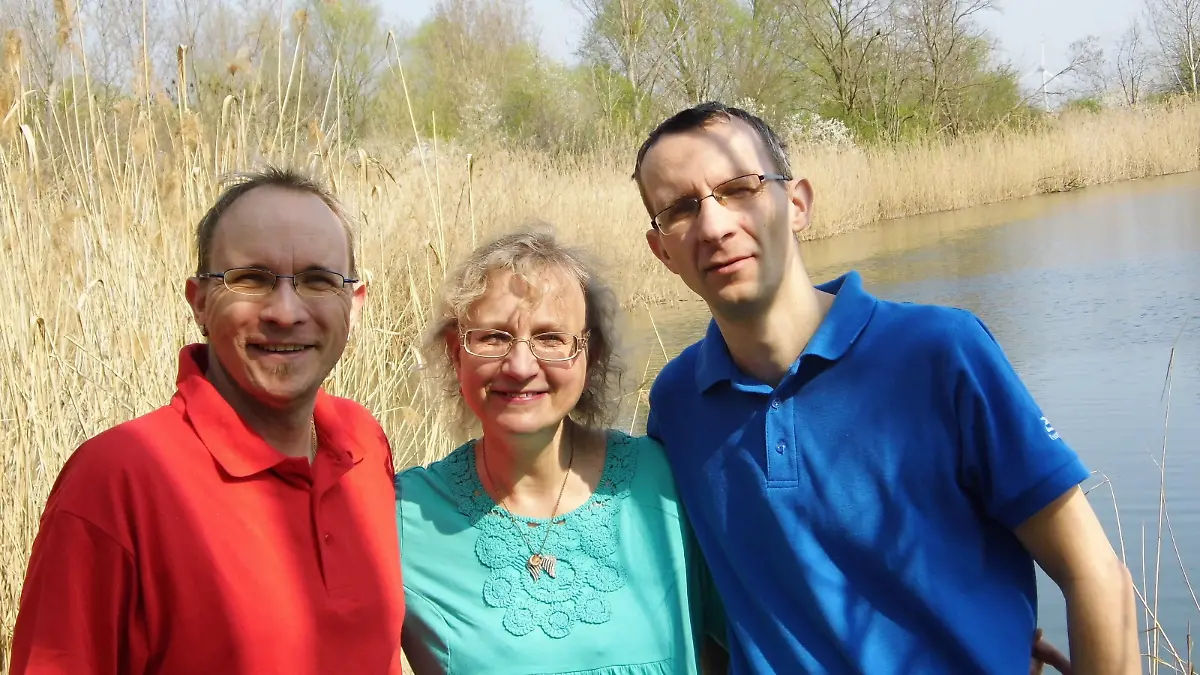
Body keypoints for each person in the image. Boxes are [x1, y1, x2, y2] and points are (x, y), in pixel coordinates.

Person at [633, 102, 1140, 674]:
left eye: (739, 188)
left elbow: (1093, 572)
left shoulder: (938, 353)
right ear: (662, 252)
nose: (715, 225)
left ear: (795, 203)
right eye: (679, 209)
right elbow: (706, 617)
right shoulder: (677, 404)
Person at [9, 167, 405, 674]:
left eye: (317, 281)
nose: (285, 312)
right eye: (251, 280)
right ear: (199, 301)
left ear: (355, 303)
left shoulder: (363, 444)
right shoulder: (115, 481)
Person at [395, 227, 724, 674]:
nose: (520, 365)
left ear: (591, 356)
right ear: (457, 354)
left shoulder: (667, 482)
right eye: (493, 337)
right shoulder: (404, 517)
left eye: (551, 338)